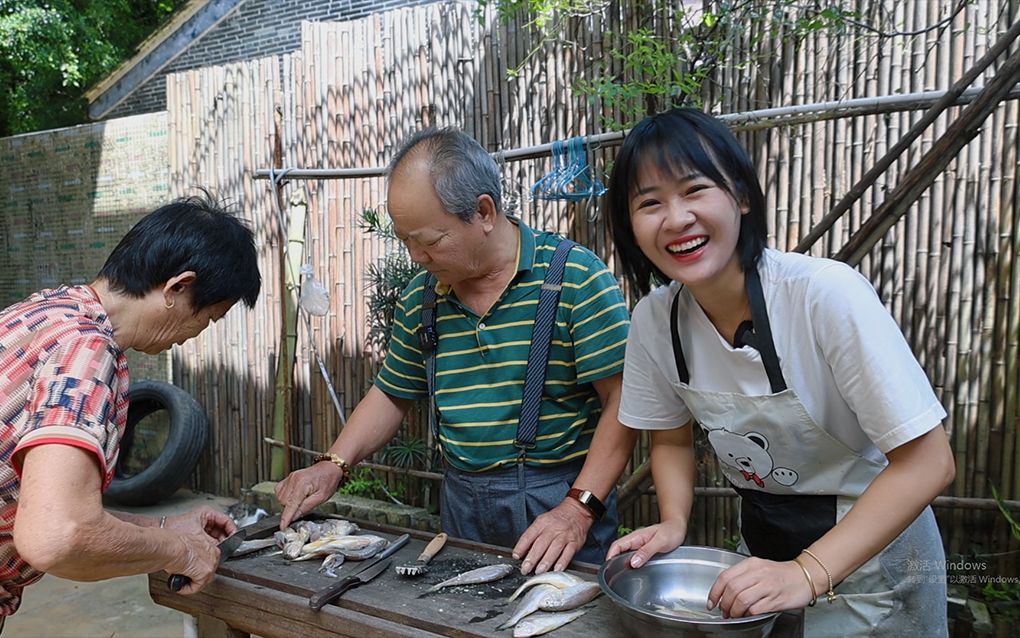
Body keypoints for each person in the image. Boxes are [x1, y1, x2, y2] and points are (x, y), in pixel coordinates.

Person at [603, 108, 954, 635]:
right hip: (764, 558)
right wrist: (674, 520)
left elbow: (928, 463)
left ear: (742, 197)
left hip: (879, 561)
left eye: (695, 189)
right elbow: (671, 440)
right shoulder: (655, 319)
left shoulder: (824, 295)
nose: (675, 219)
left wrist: (809, 571)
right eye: (649, 203)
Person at [276, 127, 635, 574]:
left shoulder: (575, 278)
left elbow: (624, 402)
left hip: (557, 500)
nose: (415, 256)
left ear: (483, 211)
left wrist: (578, 509)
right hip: (461, 503)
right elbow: (392, 393)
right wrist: (333, 463)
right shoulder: (420, 297)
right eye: (405, 240)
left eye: (428, 241)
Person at [0, 193, 262, 624]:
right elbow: (58, 534)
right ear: (178, 288)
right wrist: (180, 551)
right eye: (209, 318)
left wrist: (162, 528)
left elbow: (40, 505)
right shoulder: (87, 353)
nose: (196, 334)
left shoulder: (45, 314)